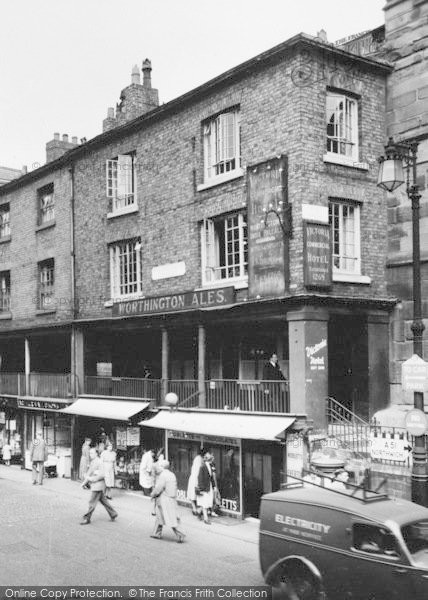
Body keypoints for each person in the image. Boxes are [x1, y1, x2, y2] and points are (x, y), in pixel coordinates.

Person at [80, 447, 118, 525]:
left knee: (92, 502)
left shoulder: (99, 462)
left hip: (98, 485)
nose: (90, 455)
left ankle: (87, 518)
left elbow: (102, 475)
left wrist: (91, 479)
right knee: (104, 501)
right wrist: (84, 482)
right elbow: (89, 473)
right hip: (96, 485)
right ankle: (113, 513)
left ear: (96, 454)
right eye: (90, 453)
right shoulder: (93, 462)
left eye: (92, 453)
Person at [150, 460, 185, 543]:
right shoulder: (171, 474)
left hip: (164, 499)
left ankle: (180, 534)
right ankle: (156, 533)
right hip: (172, 498)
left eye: (159, 466)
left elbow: (159, 488)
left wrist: (152, 494)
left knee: (170, 518)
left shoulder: (163, 475)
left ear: (162, 467)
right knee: (160, 516)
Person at [196, 450, 215, 524]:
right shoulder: (203, 467)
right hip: (204, 488)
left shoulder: (209, 466)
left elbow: (211, 477)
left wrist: (214, 486)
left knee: (207, 502)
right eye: (211, 458)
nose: (212, 459)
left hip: (208, 487)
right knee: (205, 503)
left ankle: (198, 512)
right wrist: (202, 488)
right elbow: (200, 478)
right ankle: (206, 519)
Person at [187, 450, 204, 516]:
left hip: (193, 478)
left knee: (192, 494)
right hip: (196, 479)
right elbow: (198, 471)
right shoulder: (199, 459)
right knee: (196, 494)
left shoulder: (197, 458)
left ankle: (194, 508)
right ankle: (196, 509)